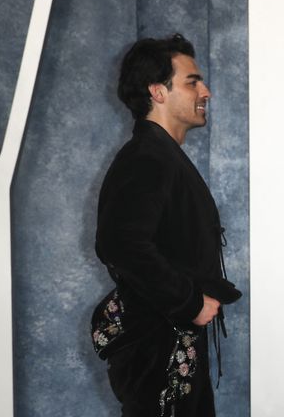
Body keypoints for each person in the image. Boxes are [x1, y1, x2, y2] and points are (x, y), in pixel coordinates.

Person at [95, 33, 241, 417]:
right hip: (157, 348)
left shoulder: (160, 155)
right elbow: (120, 244)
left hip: (171, 341)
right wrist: (189, 301)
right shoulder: (147, 158)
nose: (206, 91)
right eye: (193, 81)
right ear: (157, 91)